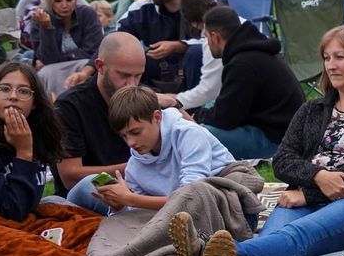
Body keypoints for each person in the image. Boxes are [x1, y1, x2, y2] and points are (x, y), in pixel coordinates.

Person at [170, 25, 344, 256]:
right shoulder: (312, 109)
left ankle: (206, 254)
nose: (330, 66)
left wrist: (307, 192)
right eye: (326, 58)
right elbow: (282, 160)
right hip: (305, 194)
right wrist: (318, 177)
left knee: (297, 235)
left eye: (339, 57)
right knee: (273, 240)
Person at [90, 86, 235, 214]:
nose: (130, 143)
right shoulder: (134, 166)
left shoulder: (188, 134)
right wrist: (120, 207)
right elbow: (139, 217)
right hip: (179, 217)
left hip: (229, 206)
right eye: (124, 136)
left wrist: (130, 199)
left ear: (157, 117)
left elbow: (192, 198)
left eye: (135, 132)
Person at [188, 6, 305, 159]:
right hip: (279, 130)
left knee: (198, 135)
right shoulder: (253, 53)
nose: (207, 43)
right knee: (209, 109)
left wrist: (196, 117)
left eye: (206, 37)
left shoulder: (243, 64)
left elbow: (226, 119)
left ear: (215, 37)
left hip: (277, 141)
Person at [54, 32, 145, 207]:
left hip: (138, 188)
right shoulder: (69, 107)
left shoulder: (142, 98)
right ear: (100, 66)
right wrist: (135, 168)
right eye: (124, 75)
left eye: (138, 76)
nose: (132, 84)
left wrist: (175, 105)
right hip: (91, 192)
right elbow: (70, 176)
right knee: (92, 185)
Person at [0, 62, 65, 221]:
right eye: (5, 89)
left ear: (35, 102)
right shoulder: (25, 145)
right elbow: (12, 212)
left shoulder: (40, 134)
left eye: (23, 91)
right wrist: (24, 152)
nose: (13, 96)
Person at [116, 0, 196, 91]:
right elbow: (117, 40)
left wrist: (179, 46)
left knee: (197, 53)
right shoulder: (141, 8)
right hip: (158, 77)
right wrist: (88, 70)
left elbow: (226, 38)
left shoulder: (201, 2)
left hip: (201, 75)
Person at [26, 0, 104, 97]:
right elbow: (49, 59)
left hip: (85, 67)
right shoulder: (39, 19)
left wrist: (63, 58)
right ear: (50, 1)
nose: (64, 5)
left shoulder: (87, 14)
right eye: (58, 0)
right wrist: (47, 28)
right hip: (53, 71)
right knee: (45, 73)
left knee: (88, 65)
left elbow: (95, 50)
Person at [156, 0, 224, 114]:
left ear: (194, 23)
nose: (204, 36)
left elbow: (208, 91)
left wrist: (174, 100)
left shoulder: (213, 42)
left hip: (254, 123)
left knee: (194, 54)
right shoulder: (236, 23)